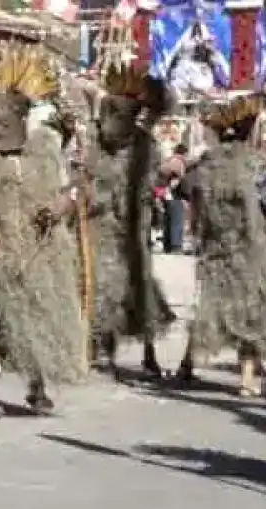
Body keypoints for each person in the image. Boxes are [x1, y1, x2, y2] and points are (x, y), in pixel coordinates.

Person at [0, 44, 86, 418]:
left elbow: (71, 191)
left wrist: (62, 206)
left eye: (6, 115)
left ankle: (38, 387)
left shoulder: (46, 146)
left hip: (40, 253)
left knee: (40, 316)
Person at [174, 95, 266, 396]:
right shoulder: (258, 165)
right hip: (249, 250)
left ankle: (187, 366)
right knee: (252, 311)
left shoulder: (208, 164)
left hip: (214, 247)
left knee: (209, 305)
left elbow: (188, 193)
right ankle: (247, 380)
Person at [84, 65, 177, 381]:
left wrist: (160, 177)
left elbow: (150, 181)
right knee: (105, 290)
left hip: (135, 229)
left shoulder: (145, 144)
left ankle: (149, 353)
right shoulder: (95, 141)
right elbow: (89, 178)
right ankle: (102, 351)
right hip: (103, 227)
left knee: (141, 289)